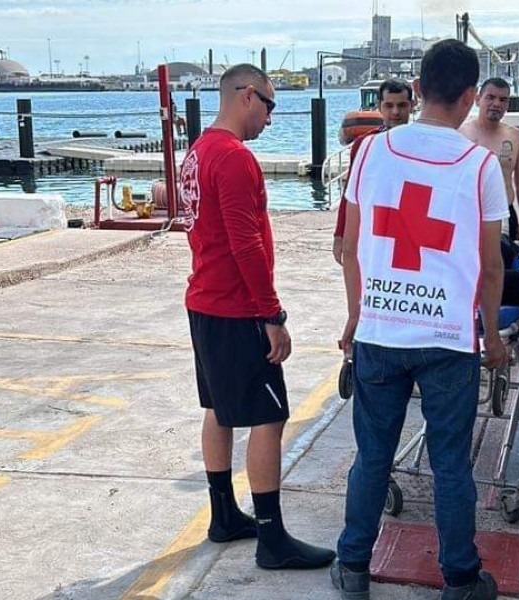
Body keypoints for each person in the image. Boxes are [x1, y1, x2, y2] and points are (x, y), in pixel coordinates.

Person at [331, 39, 508, 600]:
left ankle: (353, 566)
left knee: (373, 456)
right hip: (448, 338)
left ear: (419, 88)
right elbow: (490, 263)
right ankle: (460, 579)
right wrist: (493, 335)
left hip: (380, 331)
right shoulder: (480, 164)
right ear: (468, 97)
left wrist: (355, 318)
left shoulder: (370, 153)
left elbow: (354, 247)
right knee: (451, 465)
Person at [179, 63, 335, 570]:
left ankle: (224, 514)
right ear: (247, 95)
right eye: (270, 104)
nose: (272, 116)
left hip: (204, 301)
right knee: (269, 417)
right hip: (236, 308)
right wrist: (273, 314)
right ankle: (272, 539)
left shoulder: (197, 152)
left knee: (218, 408)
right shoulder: (234, 158)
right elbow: (246, 244)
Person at [332, 79, 415, 264]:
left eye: (401, 105)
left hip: (411, 229)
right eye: (389, 105)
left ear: (412, 106)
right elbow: (350, 192)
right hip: (373, 227)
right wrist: (340, 234)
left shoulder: (422, 144)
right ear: (379, 106)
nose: (395, 112)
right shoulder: (364, 145)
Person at [460, 78, 519, 240]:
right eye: (490, 97)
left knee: (502, 262)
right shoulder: (461, 133)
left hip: (504, 212)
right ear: (478, 100)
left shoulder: (514, 136)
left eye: (502, 100)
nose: (496, 104)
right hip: (468, 212)